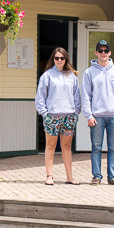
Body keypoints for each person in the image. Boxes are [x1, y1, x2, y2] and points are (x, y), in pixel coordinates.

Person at [81, 39, 114, 186]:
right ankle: (96, 176)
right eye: (100, 51)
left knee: (113, 148)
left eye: (105, 51)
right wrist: (88, 115)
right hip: (97, 117)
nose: (103, 53)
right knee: (96, 148)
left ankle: (112, 177)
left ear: (109, 53)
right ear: (96, 53)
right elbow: (85, 95)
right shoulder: (89, 72)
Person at [35, 47, 81, 185]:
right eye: (57, 58)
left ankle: (69, 177)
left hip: (68, 116)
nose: (59, 60)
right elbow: (40, 96)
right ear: (53, 59)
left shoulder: (72, 76)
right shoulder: (47, 76)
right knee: (51, 146)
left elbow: (77, 96)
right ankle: (49, 176)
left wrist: (76, 112)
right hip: (52, 117)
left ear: (66, 59)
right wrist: (44, 113)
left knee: (66, 147)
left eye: (62, 58)